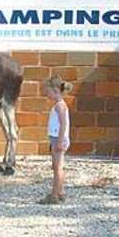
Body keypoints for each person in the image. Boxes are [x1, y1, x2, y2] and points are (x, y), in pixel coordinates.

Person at [39, 75, 73, 204]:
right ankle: (61, 192)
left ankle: (54, 195)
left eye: (48, 92)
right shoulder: (59, 105)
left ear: (55, 91)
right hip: (56, 138)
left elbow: (63, 124)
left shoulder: (60, 106)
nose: (46, 94)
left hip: (58, 139)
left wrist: (59, 141)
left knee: (58, 168)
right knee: (56, 166)